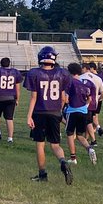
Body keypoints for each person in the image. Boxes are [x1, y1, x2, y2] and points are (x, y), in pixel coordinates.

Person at [23, 46, 73, 184]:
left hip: (39, 112)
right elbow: (63, 98)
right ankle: (63, 162)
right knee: (55, 144)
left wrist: (29, 116)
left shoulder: (34, 73)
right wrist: (58, 111)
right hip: (55, 112)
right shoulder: (62, 73)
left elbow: (34, 97)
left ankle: (42, 174)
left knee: (40, 144)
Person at [64, 63, 98, 166]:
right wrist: (85, 106)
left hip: (73, 111)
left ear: (70, 72)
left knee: (70, 134)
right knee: (79, 135)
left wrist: (66, 104)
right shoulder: (83, 84)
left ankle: (73, 158)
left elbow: (65, 99)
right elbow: (89, 98)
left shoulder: (70, 83)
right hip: (84, 111)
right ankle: (90, 149)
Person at [0, 57, 22, 143]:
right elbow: (18, 89)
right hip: (11, 98)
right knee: (9, 118)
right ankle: (10, 138)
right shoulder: (15, 72)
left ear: (1, 63)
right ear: (9, 63)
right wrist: (17, 99)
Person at [82, 61, 103, 139]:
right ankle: (96, 129)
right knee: (93, 117)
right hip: (96, 100)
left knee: (88, 120)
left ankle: (91, 137)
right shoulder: (100, 77)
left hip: (86, 101)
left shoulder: (82, 77)